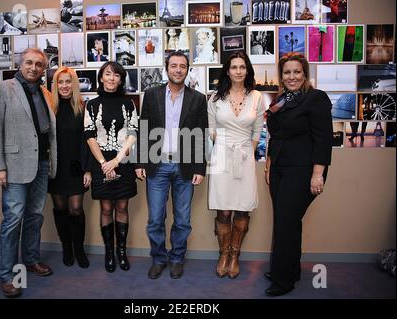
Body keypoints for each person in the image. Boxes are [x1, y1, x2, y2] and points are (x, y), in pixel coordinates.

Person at [0, 48, 57, 298]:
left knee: (35, 217)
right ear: (20, 64)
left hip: (41, 165)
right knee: (13, 220)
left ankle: (31, 259)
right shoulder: (2, 89)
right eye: (29, 63)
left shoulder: (45, 92)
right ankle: (7, 275)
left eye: (39, 64)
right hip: (14, 167)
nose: (34, 68)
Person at [135, 50, 208, 280]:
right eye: (174, 65)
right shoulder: (152, 94)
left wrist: (199, 168)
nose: (178, 70)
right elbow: (144, 130)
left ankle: (177, 258)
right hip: (157, 166)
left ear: (187, 70)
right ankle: (159, 259)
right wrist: (140, 161)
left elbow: (201, 135)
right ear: (167, 69)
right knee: (155, 218)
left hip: (184, 167)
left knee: (183, 220)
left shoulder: (197, 98)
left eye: (182, 66)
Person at [264, 52, 333, 296]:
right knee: (288, 223)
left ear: (304, 74)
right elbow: (275, 137)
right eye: (287, 72)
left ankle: (282, 281)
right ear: (281, 76)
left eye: (296, 72)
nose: (291, 76)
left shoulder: (315, 98)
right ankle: (289, 270)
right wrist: (269, 165)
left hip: (303, 171)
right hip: (280, 169)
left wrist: (318, 175)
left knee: (285, 223)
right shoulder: (282, 100)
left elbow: (323, 140)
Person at [207, 51, 265, 279]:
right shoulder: (215, 98)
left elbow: (258, 129)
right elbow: (211, 129)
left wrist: (247, 151)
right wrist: (223, 147)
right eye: (234, 67)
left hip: (244, 156)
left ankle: (235, 255)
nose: (238, 71)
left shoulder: (257, 97)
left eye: (242, 67)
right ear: (227, 71)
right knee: (223, 209)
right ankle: (223, 254)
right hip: (221, 155)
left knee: (242, 208)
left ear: (247, 70)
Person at [84, 61, 138, 273]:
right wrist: (103, 163)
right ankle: (108, 253)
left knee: (122, 207)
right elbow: (89, 135)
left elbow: (133, 133)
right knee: (106, 208)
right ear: (101, 77)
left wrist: (116, 161)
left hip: (122, 160)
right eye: (108, 74)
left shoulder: (129, 104)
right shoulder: (92, 105)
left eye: (116, 75)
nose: (112, 78)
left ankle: (121, 253)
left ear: (121, 79)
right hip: (100, 161)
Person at [48, 67, 92, 269]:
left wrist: (88, 170)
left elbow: (88, 142)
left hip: (76, 167)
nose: (64, 86)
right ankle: (66, 247)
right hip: (55, 168)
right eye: (60, 82)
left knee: (75, 209)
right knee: (60, 208)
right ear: (55, 85)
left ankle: (79, 249)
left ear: (74, 85)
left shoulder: (83, 108)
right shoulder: (49, 109)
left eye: (68, 82)